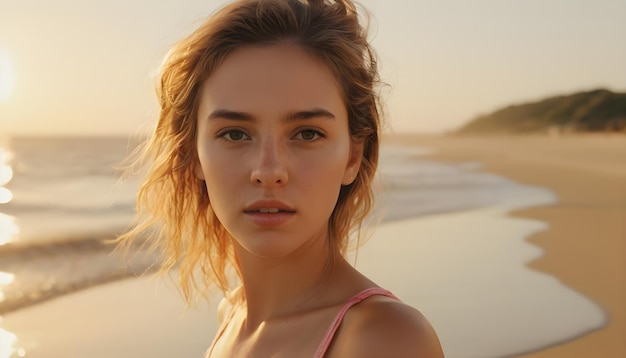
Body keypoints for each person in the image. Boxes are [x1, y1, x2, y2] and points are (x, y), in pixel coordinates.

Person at [118, 0, 444, 356]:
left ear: (353, 156)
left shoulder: (383, 339)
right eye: (234, 134)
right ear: (192, 154)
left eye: (306, 134)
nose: (269, 172)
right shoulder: (231, 315)